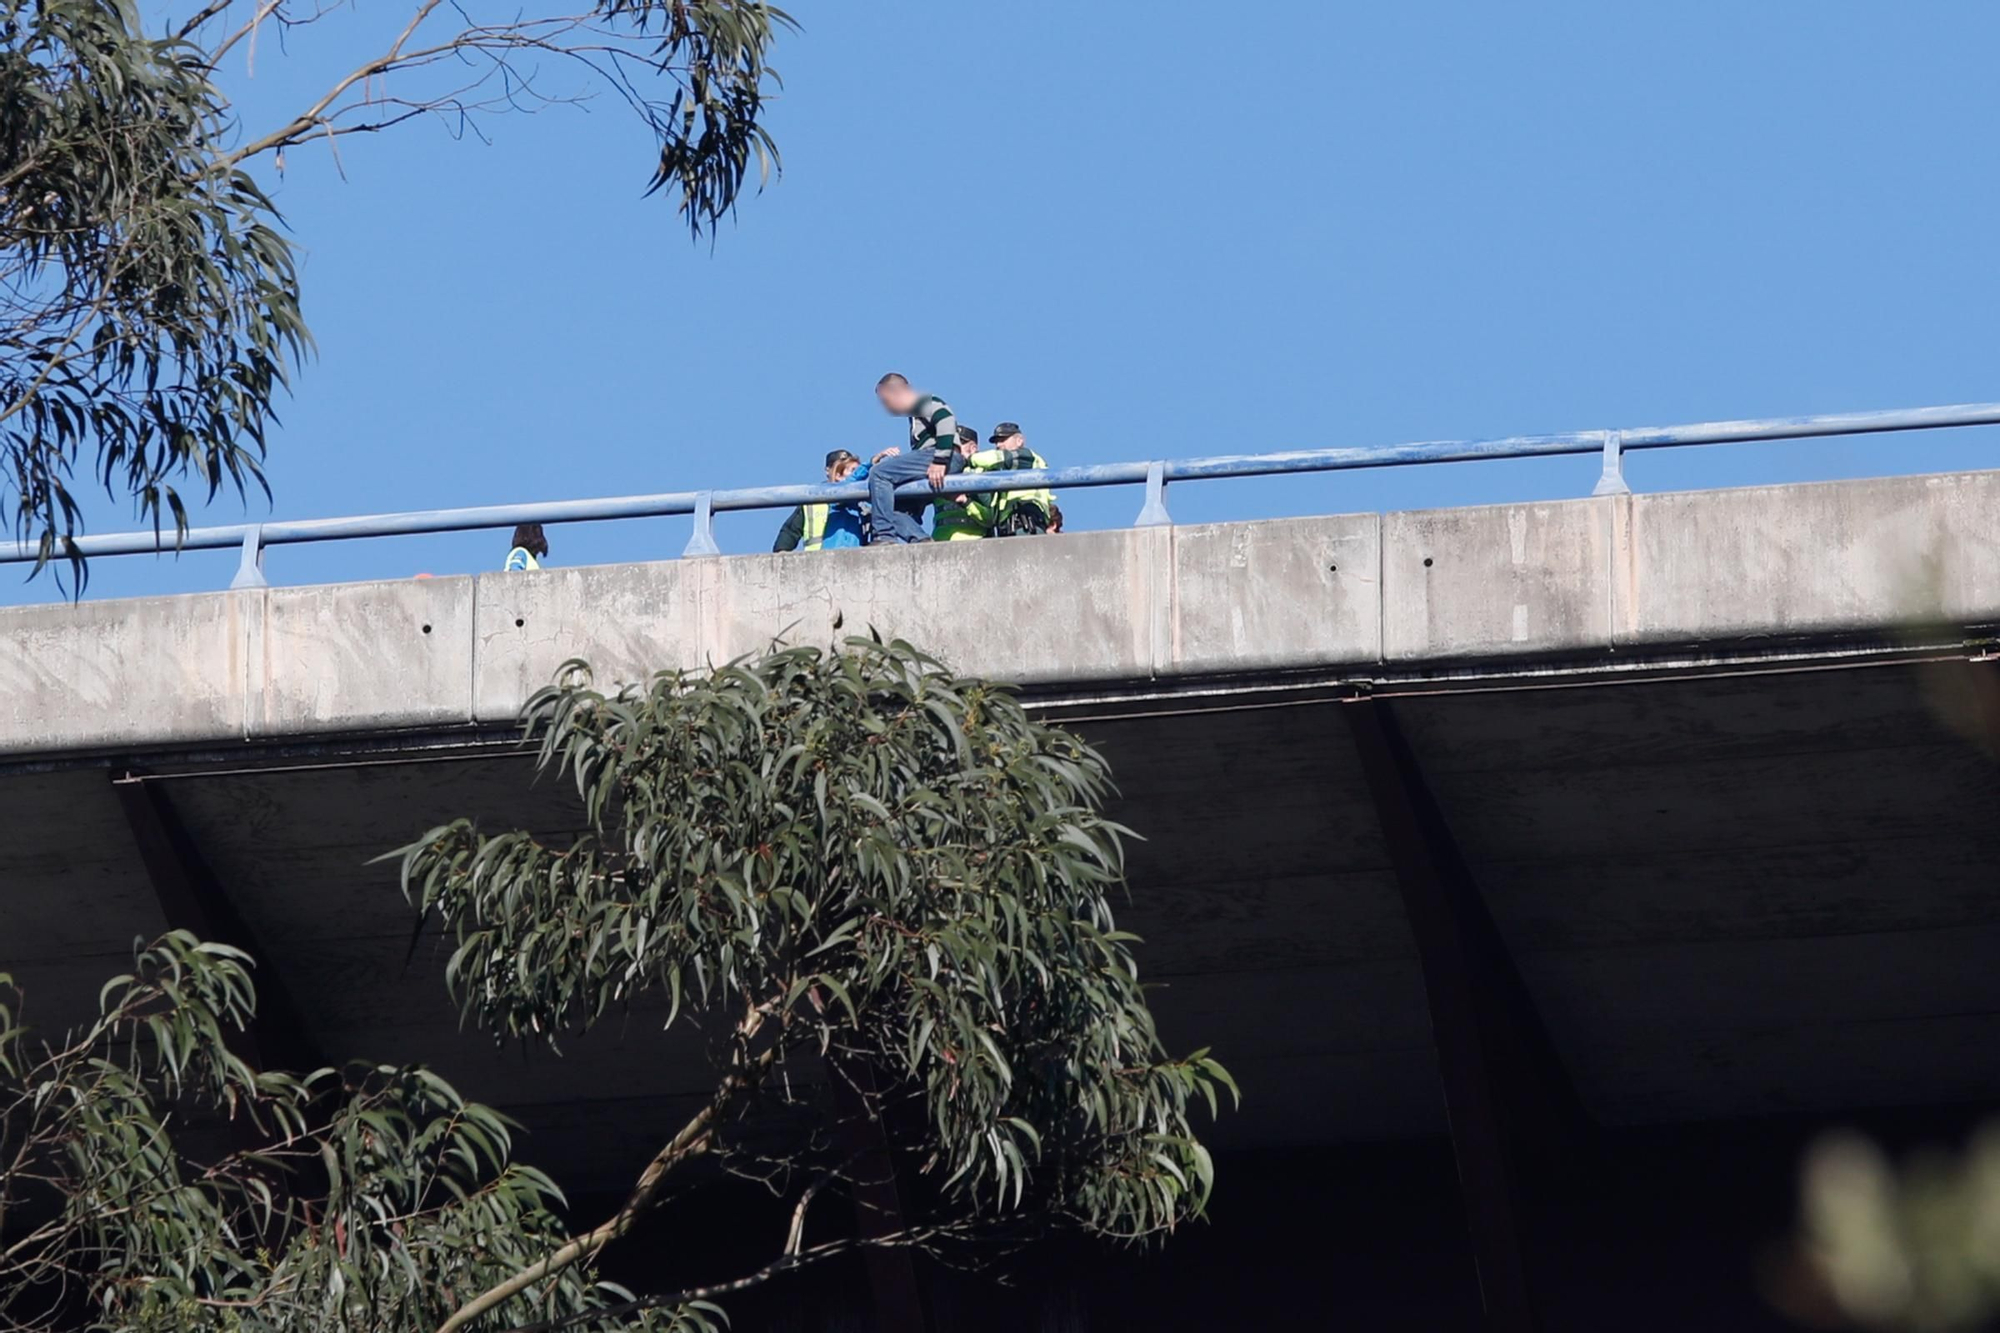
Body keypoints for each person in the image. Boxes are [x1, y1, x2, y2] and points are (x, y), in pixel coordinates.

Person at [867, 372, 958, 544]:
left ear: (897, 392)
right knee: (891, 507)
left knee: (879, 473)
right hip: (932, 459)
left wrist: (940, 460)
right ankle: (921, 540)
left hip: (940, 457)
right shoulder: (915, 416)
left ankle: (883, 535)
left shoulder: (925, 402)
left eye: (885, 401)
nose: (886, 408)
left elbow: (946, 419)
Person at [773, 450, 869, 551]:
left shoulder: (862, 504)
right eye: (841, 469)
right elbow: (790, 531)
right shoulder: (812, 502)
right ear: (828, 470)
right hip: (818, 560)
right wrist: (781, 554)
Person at [981, 423, 1056, 536]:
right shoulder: (1002, 472)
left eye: (1003, 439)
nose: (998, 445)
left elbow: (991, 459)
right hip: (1006, 531)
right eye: (996, 441)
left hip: (1027, 526)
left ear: (1019, 441)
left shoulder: (1028, 457)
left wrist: (969, 459)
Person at [930, 427, 996, 541]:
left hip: (975, 544)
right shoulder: (937, 472)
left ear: (973, 448)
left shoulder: (982, 475)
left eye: (959, 443)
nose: (953, 448)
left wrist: (965, 502)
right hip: (939, 543)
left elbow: (991, 518)